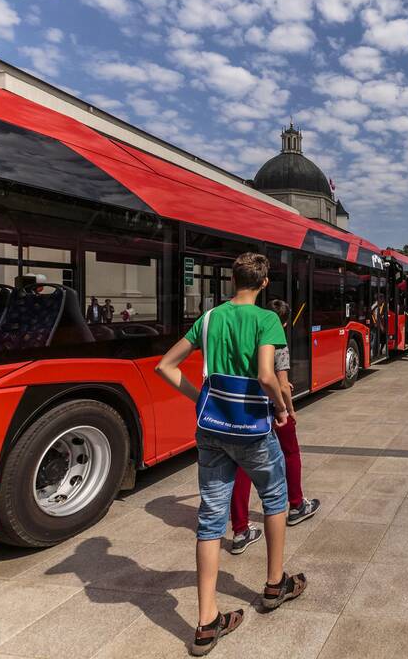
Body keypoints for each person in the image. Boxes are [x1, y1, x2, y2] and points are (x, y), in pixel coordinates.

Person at [155, 252, 306, 655]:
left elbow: (166, 366)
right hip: (252, 429)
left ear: (232, 280)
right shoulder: (266, 319)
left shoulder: (209, 318)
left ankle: (207, 621)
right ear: (264, 282)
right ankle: (275, 584)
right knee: (274, 499)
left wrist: (199, 397)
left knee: (210, 518)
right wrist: (280, 407)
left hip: (211, 428)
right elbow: (265, 376)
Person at [229, 299, 321, 553]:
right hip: (271, 408)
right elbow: (279, 383)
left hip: (244, 410)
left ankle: (240, 531)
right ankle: (297, 505)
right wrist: (288, 409)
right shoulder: (276, 338)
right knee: (291, 453)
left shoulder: (245, 335)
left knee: (242, 467)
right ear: (282, 321)